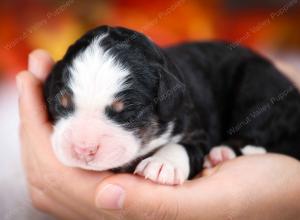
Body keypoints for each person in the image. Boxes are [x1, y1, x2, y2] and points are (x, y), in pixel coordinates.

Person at [17, 49, 300, 220]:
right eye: (65, 107)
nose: (84, 144)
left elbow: (193, 139)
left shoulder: (172, 99)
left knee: (265, 99)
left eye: (122, 112)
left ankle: (246, 143)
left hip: (248, 80)